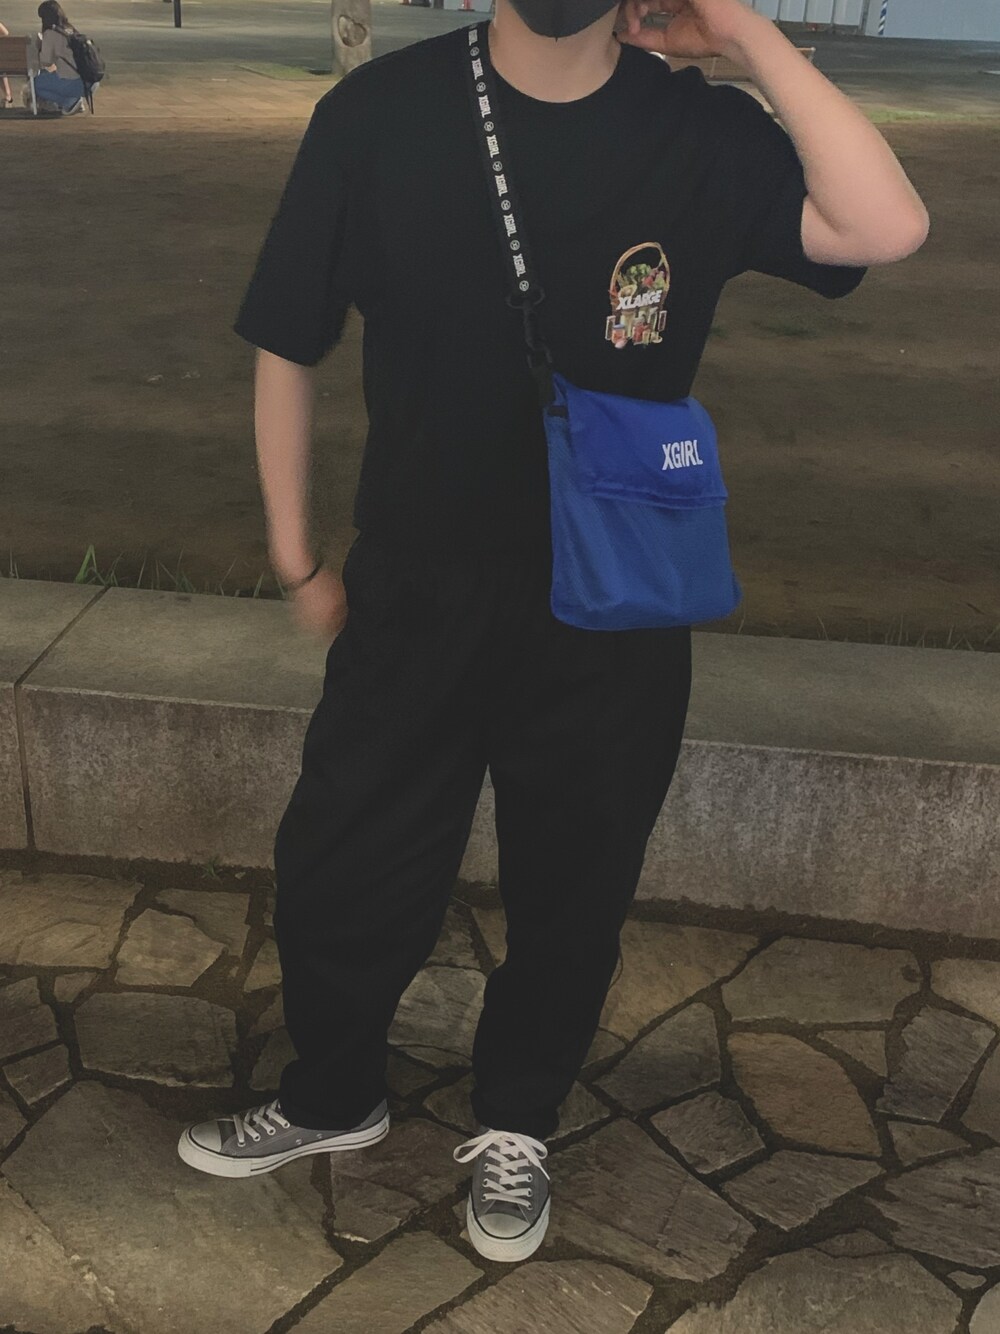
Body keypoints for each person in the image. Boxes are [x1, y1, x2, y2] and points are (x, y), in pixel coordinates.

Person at [177, 0, 928, 1265]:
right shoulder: (378, 116)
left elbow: (881, 225)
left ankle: (517, 1117)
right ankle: (332, 1090)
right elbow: (286, 339)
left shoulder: (694, 132)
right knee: (341, 864)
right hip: (416, 586)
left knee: (573, 888)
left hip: (613, 597)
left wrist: (743, 34)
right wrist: (295, 552)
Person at [30, 0, 85, 114]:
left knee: (35, 84)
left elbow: (46, 62)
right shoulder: (70, 29)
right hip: (89, 80)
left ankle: (68, 102)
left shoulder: (50, 33)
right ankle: (75, 100)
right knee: (52, 77)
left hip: (72, 82)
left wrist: (41, 47)